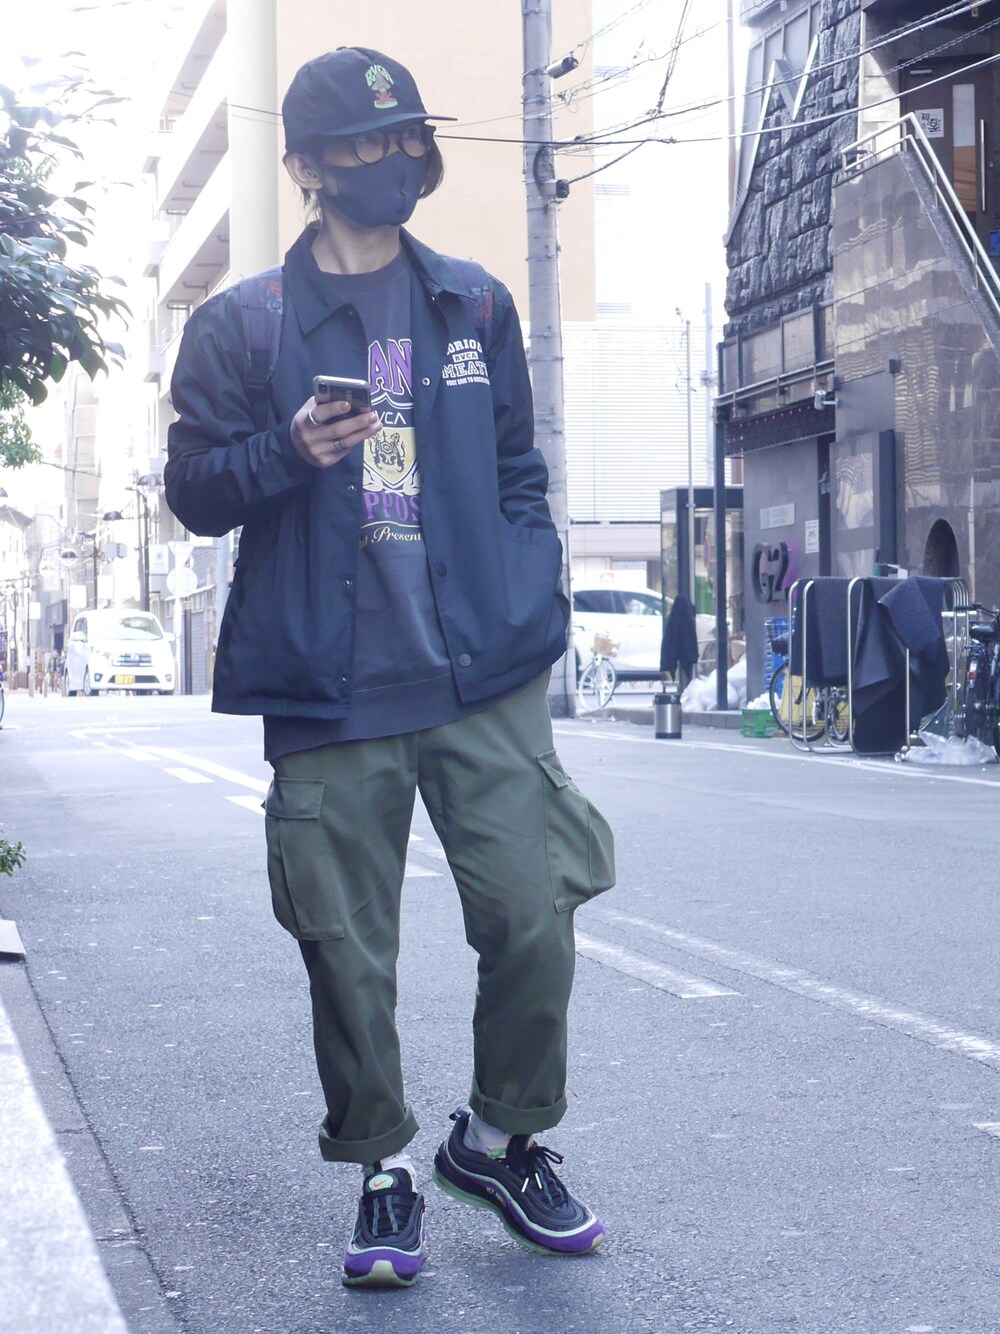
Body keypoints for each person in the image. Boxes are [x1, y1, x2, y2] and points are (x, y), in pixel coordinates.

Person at [164, 47, 615, 1289]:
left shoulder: (474, 302)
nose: (394, 160)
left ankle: (501, 1138)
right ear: (307, 167)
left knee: (535, 907)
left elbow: (518, 468)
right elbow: (192, 490)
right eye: (363, 145)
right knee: (344, 944)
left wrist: (533, 589)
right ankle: (383, 1167)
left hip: (482, 670)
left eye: (408, 137)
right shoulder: (243, 322)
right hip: (330, 683)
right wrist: (288, 449)